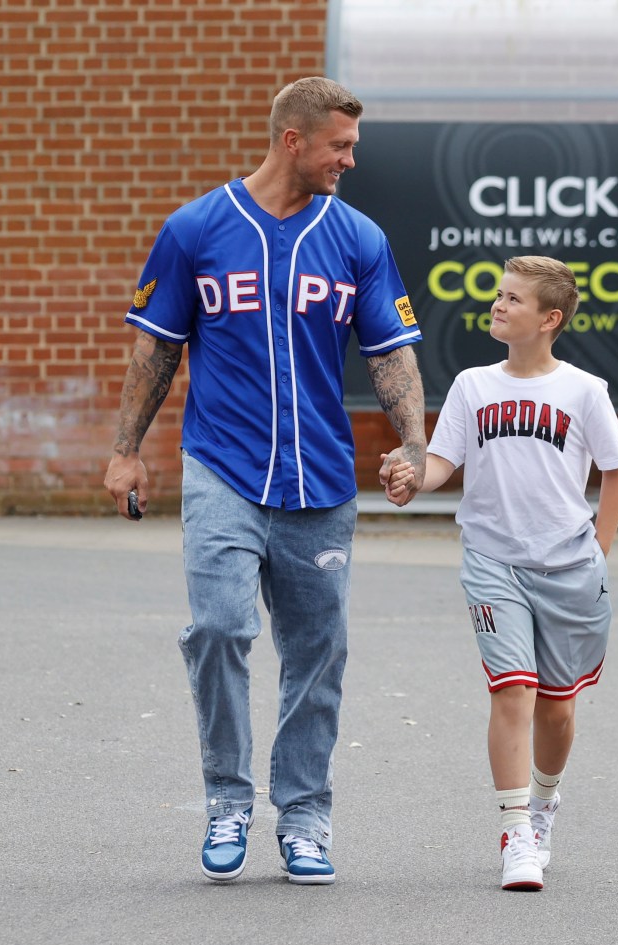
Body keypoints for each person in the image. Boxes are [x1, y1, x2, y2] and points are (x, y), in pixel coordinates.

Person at [104, 76, 426, 885]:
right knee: (217, 628)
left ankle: (305, 816)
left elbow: (390, 352)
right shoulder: (195, 229)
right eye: (339, 146)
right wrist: (125, 449)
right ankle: (227, 799)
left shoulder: (358, 237)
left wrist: (414, 443)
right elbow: (156, 349)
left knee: (318, 653)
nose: (351, 159)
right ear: (293, 140)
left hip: (322, 479)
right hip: (224, 468)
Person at [381, 256, 618, 891]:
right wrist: (413, 474)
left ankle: (544, 806)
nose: (498, 305)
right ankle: (516, 831)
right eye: (498, 295)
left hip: (571, 568)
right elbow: (442, 461)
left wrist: (598, 548)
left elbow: (617, 470)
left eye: (512, 299)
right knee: (511, 691)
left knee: (557, 707)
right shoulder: (472, 385)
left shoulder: (584, 390)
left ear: (549, 319)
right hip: (493, 563)